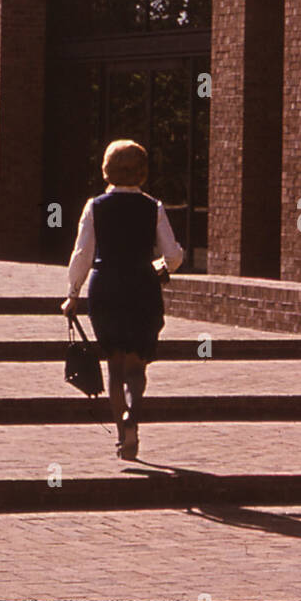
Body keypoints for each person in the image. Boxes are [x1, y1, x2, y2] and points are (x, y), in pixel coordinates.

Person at [61, 139, 184, 459]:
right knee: (137, 367)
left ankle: (122, 431)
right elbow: (173, 255)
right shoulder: (152, 206)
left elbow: (82, 254)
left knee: (114, 366)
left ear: (107, 168)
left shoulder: (95, 206)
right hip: (142, 286)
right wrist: (159, 268)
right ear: (142, 171)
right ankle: (134, 415)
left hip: (107, 289)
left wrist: (72, 294)